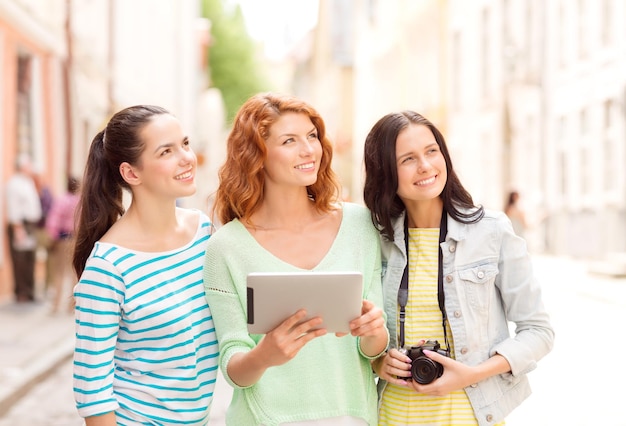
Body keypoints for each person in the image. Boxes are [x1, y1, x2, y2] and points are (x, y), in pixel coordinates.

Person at [203, 92, 389, 425]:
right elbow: (233, 367)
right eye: (289, 140)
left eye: (312, 136)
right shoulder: (227, 247)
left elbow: (372, 352)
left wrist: (376, 331)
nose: (308, 150)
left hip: (351, 416)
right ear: (256, 156)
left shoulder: (360, 226)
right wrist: (264, 356)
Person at [362, 111, 555, 425]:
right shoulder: (374, 239)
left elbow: (539, 332)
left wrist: (473, 374)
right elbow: (355, 336)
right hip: (392, 415)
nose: (425, 166)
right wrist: (379, 362)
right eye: (407, 159)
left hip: (471, 415)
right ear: (385, 171)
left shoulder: (491, 231)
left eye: (431, 151)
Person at [72, 105, 219, 425]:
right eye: (167, 151)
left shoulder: (203, 233)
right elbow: (92, 391)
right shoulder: (108, 267)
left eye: (185, 143)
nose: (186, 158)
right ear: (131, 173)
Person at [5, 153, 42, 302]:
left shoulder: (28, 182)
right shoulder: (14, 184)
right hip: (20, 224)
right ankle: (21, 292)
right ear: (22, 167)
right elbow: (14, 208)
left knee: (29, 258)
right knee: (20, 261)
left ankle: (30, 290)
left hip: (30, 224)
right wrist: (18, 228)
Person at [45, 176, 80, 314]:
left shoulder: (62, 200)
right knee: (73, 273)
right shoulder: (80, 201)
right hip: (75, 239)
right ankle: (71, 306)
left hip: (62, 238)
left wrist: (52, 237)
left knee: (58, 273)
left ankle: (56, 305)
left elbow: (54, 220)